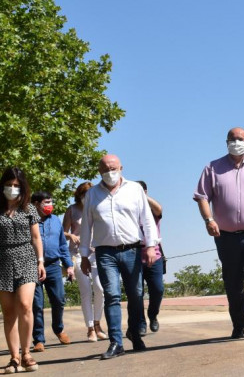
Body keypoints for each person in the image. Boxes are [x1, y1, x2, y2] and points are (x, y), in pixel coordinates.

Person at [193, 127, 244, 340]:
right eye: (232, 139)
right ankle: (239, 324)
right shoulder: (212, 168)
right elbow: (202, 196)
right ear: (226, 141)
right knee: (233, 281)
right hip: (226, 236)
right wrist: (209, 219)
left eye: (240, 139)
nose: (236, 142)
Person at [80, 154, 159, 360]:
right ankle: (116, 342)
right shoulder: (92, 194)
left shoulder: (134, 189)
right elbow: (86, 226)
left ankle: (134, 332)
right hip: (105, 252)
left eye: (113, 168)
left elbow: (147, 219)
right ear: (99, 171)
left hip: (132, 250)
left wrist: (151, 246)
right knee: (112, 295)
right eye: (105, 169)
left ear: (121, 168)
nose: (110, 173)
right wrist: (84, 255)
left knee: (136, 294)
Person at [0, 167, 46, 373]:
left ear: (22, 188)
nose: (12, 188)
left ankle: (27, 354)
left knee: (25, 305)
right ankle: (14, 357)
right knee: (9, 313)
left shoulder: (29, 210)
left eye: (16, 186)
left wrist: (40, 261)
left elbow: (36, 237)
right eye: (9, 185)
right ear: (2, 187)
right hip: (2, 261)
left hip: (26, 257)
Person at [63, 182, 108, 342]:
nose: (86, 198)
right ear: (79, 195)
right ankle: (90, 328)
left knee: (100, 289)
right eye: (84, 195)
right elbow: (63, 232)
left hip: (96, 253)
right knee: (86, 292)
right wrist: (71, 236)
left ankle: (98, 324)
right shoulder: (72, 210)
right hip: (76, 254)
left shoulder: (98, 207)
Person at [30, 191, 74, 351]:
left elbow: (63, 245)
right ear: (35, 204)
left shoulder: (56, 221)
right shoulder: (28, 221)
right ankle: (39, 340)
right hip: (33, 267)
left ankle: (58, 328)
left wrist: (69, 265)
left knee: (59, 299)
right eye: (46, 202)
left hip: (54, 266)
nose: (49, 205)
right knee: (37, 304)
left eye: (50, 202)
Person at [133, 181, 164, 337]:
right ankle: (141, 323)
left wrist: (144, 197)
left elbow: (159, 209)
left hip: (155, 256)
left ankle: (153, 315)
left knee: (158, 290)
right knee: (137, 293)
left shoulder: (152, 212)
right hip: (133, 257)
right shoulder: (129, 211)